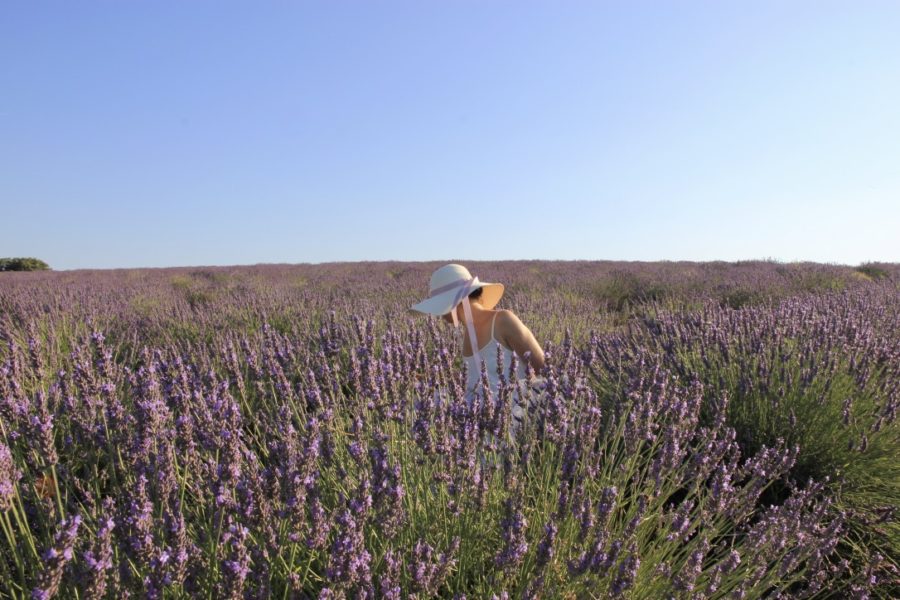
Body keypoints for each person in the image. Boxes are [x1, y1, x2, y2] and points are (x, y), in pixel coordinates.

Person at [409, 263, 546, 439]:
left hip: (516, 418)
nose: (440, 316)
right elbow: (477, 381)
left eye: (440, 307)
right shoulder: (467, 334)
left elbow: (544, 368)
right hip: (483, 420)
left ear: (454, 302)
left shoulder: (503, 320)